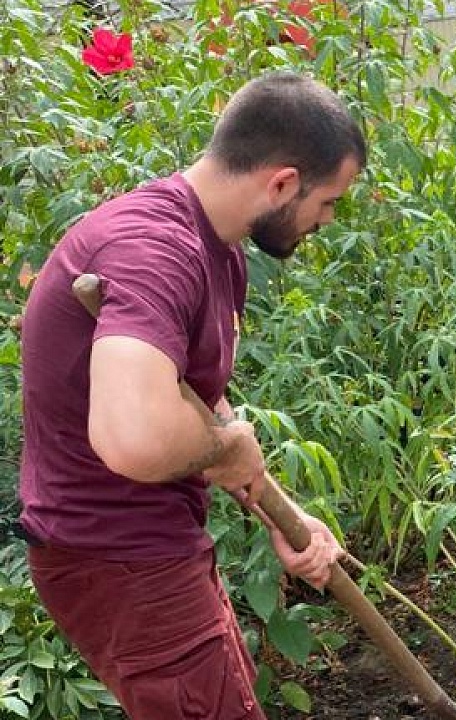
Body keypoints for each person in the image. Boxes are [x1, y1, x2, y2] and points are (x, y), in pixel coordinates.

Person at [18, 72, 365, 720]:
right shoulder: (155, 251)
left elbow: (201, 405)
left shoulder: (217, 247)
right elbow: (137, 437)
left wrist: (281, 516)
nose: (327, 220)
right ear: (283, 182)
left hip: (152, 548)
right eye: (328, 201)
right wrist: (227, 448)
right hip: (119, 559)